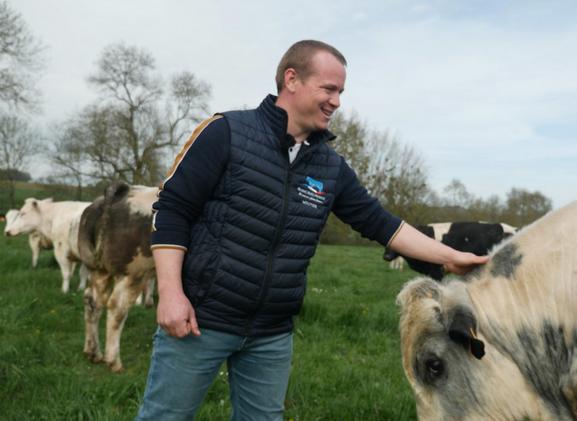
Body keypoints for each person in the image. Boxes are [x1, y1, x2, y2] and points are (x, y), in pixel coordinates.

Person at [136, 40, 488, 420]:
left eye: (340, 92)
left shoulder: (329, 167)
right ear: (292, 79)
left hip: (271, 332)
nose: (336, 101)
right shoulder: (226, 133)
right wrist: (171, 294)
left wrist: (451, 257)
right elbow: (172, 209)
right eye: (328, 89)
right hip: (201, 320)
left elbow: (382, 224)